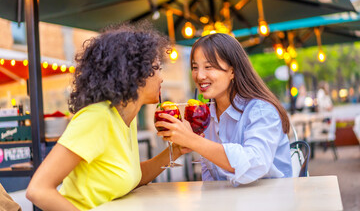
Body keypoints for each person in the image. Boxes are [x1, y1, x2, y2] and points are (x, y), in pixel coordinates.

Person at [26, 22, 187, 210]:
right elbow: (38, 190)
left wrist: (176, 151)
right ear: (134, 73)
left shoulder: (126, 119)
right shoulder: (97, 117)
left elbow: (132, 177)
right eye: (157, 67)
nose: (161, 77)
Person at [156, 33, 292, 186]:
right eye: (195, 67)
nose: (199, 76)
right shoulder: (207, 115)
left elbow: (255, 163)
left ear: (232, 71)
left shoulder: (261, 110)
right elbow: (211, 176)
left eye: (208, 67)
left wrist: (192, 140)